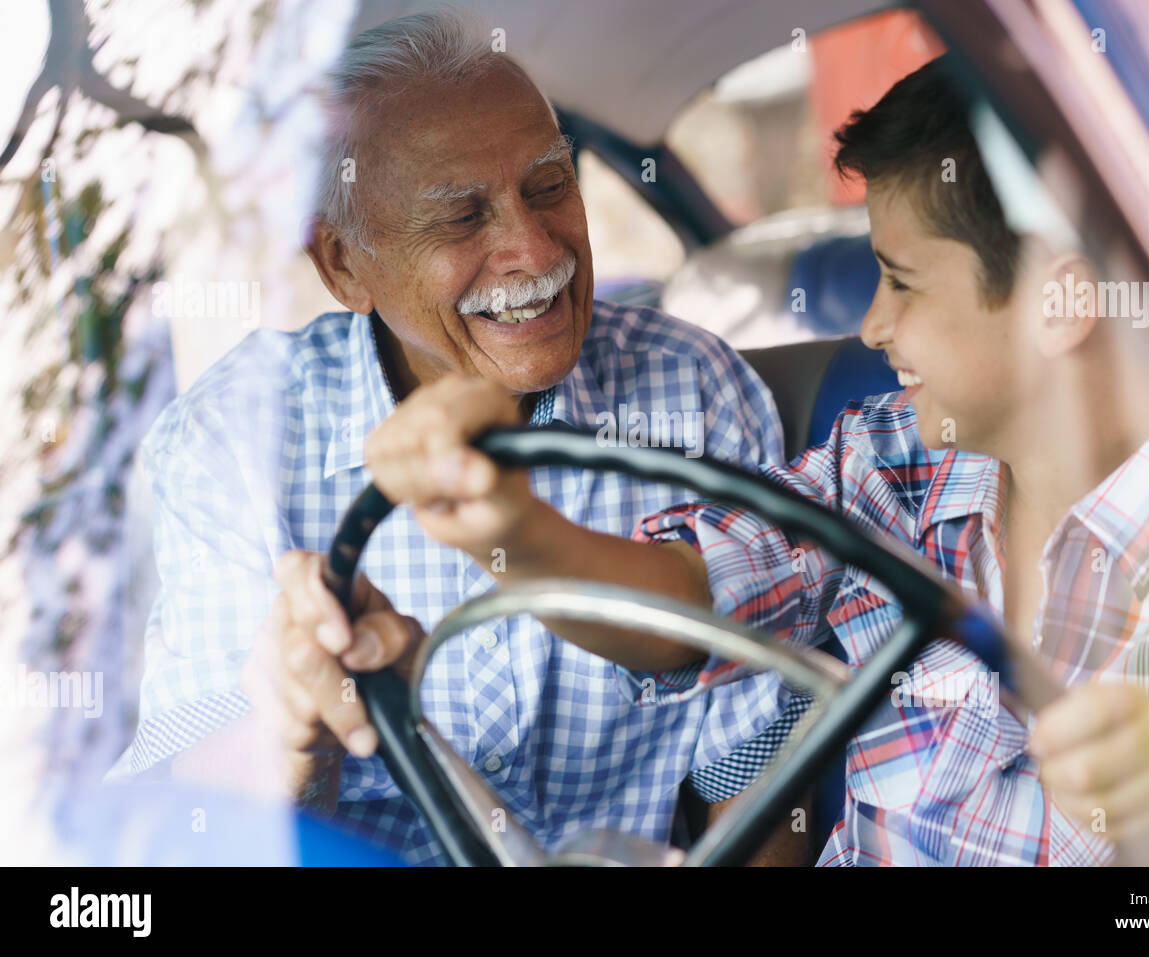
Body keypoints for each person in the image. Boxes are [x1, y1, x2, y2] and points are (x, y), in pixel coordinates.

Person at [360, 56, 1149, 865]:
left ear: (1061, 302)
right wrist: (515, 528)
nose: (871, 325)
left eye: (900, 281)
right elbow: (681, 605)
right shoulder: (887, 464)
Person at [109, 11, 810, 865]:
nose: (532, 247)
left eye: (549, 186)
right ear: (344, 267)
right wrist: (291, 736)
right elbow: (186, 819)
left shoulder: (694, 390)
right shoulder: (235, 440)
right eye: (461, 218)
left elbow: (763, 769)